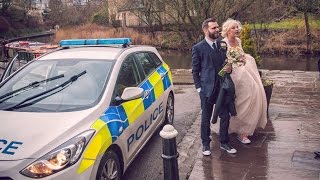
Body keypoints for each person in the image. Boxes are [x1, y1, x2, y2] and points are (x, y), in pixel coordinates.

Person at [192, 18, 237, 156]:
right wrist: (199, 88)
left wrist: (229, 68)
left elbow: (226, 63)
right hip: (207, 89)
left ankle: (224, 142)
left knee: (225, 116)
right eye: (213, 28)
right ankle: (205, 144)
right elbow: (195, 70)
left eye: (217, 27)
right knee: (206, 117)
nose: (217, 30)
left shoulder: (222, 44)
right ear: (206, 30)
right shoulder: (198, 48)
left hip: (222, 88)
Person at [221, 18, 268, 144]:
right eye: (233, 27)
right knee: (237, 102)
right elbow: (223, 61)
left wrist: (243, 59)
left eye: (237, 27)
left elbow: (241, 55)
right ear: (227, 30)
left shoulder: (239, 41)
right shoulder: (223, 43)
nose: (236, 30)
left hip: (244, 71)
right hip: (233, 74)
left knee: (254, 93)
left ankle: (244, 131)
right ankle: (232, 128)